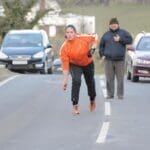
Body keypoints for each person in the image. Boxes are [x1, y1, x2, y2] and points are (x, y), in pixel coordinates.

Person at [60, 24, 98, 114]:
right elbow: (65, 66)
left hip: (88, 63)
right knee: (76, 81)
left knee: (90, 82)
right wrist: (65, 81)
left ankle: (92, 100)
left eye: (71, 32)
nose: (69, 34)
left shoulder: (82, 38)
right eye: (67, 32)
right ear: (65, 34)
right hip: (75, 65)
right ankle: (75, 105)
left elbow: (95, 36)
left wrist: (93, 48)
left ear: (75, 33)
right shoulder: (64, 48)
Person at [99, 18, 133, 99]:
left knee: (120, 79)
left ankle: (120, 95)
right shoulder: (106, 35)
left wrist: (120, 39)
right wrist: (102, 55)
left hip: (120, 60)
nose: (113, 25)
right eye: (112, 24)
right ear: (109, 25)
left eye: (115, 24)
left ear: (118, 25)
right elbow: (101, 46)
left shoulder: (123, 33)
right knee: (109, 78)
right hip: (108, 60)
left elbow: (130, 40)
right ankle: (110, 94)